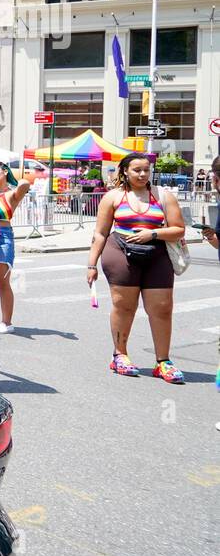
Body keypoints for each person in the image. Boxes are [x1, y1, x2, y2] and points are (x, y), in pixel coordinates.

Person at [87, 152, 187, 384]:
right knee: (124, 306)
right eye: (137, 170)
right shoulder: (113, 197)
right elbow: (100, 233)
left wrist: (153, 233)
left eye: (146, 170)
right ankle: (120, 355)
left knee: (162, 308)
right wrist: (92, 264)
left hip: (157, 254)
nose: (142, 174)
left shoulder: (163, 196)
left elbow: (179, 229)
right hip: (120, 253)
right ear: (125, 172)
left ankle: (163, 361)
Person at [0, 162, 32, 334]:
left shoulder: (11, 194)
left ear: (5, 172)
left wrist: (11, 177)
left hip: (3, 235)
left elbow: (25, 184)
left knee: (2, 281)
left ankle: (6, 322)